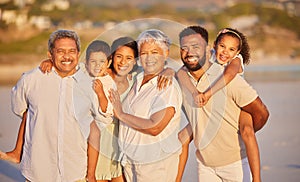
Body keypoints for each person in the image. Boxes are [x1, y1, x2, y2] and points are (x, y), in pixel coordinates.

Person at [9, 29, 106, 182]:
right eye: (60, 51)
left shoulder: (90, 81)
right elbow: (19, 109)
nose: (67, 56)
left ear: (78, 53)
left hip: (75, 173)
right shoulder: (31, 80)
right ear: (50, 54)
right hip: (38, 173)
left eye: (72, 51)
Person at [176, 25, 269, 182]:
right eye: (222, 46)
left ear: (237, 52)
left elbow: (230, 75)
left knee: (246, 130)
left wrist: (207, 94)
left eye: (231, 49)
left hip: (239, 108)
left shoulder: (234, 64)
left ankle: (257, 178)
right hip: (205, 164)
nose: (226, 52)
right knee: (183, 137)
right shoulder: (199, 64)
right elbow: (181, 71)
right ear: (214, 46)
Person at [108, 29, 183, 182]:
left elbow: (155, 127)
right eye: (143, 53)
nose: (149, 58)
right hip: (131, 161)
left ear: (166, 53)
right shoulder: (137, 78)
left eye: (155, 52)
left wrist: (121, 114)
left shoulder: (167, 86)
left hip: (154, 164)